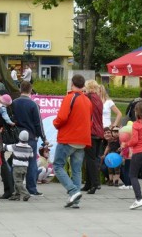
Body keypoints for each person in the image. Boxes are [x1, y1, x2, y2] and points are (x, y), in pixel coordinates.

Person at [53, 74, 92, 209]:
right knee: (76, 170)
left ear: (72, 83)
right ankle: (75, 200)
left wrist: (55, 123)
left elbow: (62, 117)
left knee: (58, 166)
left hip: (68, 138)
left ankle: (73, 191)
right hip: (83, 139)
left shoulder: (70, 97)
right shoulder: (87, 100)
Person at [12, 81, 48, 196]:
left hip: (16, 136)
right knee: (31, 162)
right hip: (31, 137)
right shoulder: (34, 105)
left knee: (15, 161)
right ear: (31, 89)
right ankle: (31, 189)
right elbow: (38, 124)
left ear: (20, 89)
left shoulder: (13, 103)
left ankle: (15, 188)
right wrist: (43, 138)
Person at [121, 101, 142, 210]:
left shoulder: (136, 124)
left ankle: (139, 199)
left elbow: (134, 141)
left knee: (133, 175)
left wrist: (126, 144)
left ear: (138, 112)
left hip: (139, 152)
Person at [82, 79, 104, 195]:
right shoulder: (98, 98)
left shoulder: (88, 97)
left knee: (90, 159)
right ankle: (89, 183)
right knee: (93, 158)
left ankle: (94, 184)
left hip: (91, 131)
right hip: (99, 132)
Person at [3, 130, 33, 201]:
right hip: (25, 167)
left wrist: (0, 142)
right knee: (20, 181)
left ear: (19, 137)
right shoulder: (29, 148)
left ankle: (26, 194)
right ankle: (16, 195)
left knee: (17, 182)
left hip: (17, 167)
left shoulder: (15, 146)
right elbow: (31, 156)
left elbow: (5, 147)